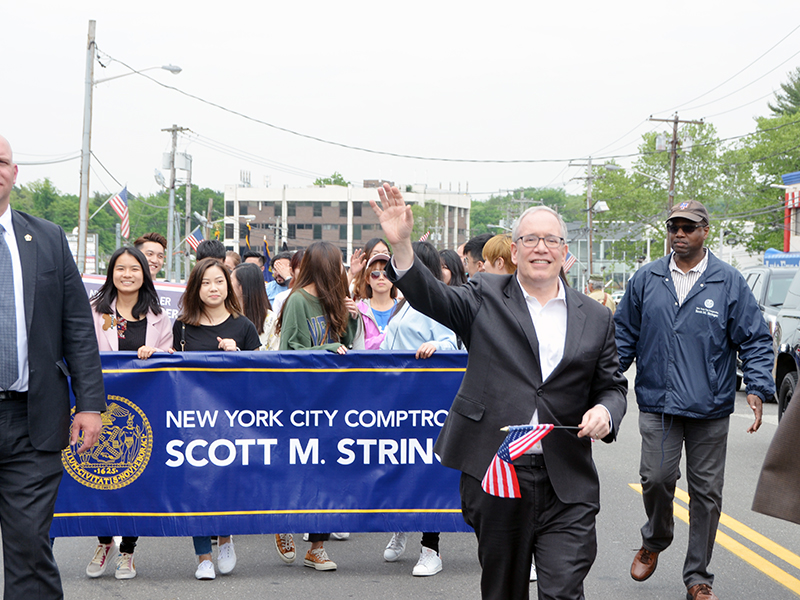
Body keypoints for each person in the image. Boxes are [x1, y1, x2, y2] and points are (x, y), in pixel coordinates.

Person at [371, 183, 627, 600]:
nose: (540, 247)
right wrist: (401, 247)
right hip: (499, 471)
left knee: (563, 591)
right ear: (514, 249)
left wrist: (605, 411)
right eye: (529, 239)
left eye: (550, 240)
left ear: (564, 251)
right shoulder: (484, 296)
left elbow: (613, 387)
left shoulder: (595, 316)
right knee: (503, 591)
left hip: (567, 479)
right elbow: (431, 296)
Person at [614, 200, 774, 600]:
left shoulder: (728, 281)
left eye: (688, 227)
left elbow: (754, 339)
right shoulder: (646, 278)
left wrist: (756, 386)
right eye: (673, 227)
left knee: (706, 495)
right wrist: (603, 384)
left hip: (711, 408)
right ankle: (655, 537)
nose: (679, 234)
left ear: (706, 231)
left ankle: (698, 577)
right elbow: (622, 337)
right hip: (658, 404)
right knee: (656, 479)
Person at [0, 134, 106, 598]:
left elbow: (78, 327)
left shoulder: (45, 237)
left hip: (31, 420)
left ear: (14, 171)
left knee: (27, 546)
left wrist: (90, 405)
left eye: (0, 160)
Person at [276, 241, 363, 571]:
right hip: (303, 398)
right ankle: (282, 522)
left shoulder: (336, 299)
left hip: (333, 398)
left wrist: (352, 318)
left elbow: (344, 342)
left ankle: (317, 546)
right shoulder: (298, 300)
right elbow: (292, 350)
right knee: (299, 468)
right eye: (337, 264)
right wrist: (328, 347)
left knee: (328, 473)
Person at [87, 246, 173, 580]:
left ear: (144, 274)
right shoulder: (98, 312)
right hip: (99, 408)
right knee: (99, 476)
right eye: (120, 268)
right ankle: (104, 540)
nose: (127, 274)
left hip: (141, 411)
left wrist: (159, 352)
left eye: (134, 269)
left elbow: (170, 358)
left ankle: (128, 551)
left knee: (135, 477)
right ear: (111, 273)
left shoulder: (157, 315)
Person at [172, 257, 261, 580]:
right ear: (196, 287)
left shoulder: (244, 326)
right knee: (196, 486)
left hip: (233, 421)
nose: (213, 288)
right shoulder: (182, 325)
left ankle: (226, 537)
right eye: (206, 282)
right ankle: (202, 557)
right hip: (192, 420)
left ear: (229, 286)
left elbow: (262, 375)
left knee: (227, 482)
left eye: (219, 281)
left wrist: (237, 356)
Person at [379, 241, 460, 577]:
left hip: (428, 402)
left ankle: (431, 547)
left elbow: (452, 342)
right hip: (400, 401)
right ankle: (402, 525)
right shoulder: (403, 304)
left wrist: (436, 345)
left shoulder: (435, 303)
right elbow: (387, 344)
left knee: (429, 472)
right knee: (404, 466)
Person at [231, 262, 279, 350]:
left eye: (230, 281)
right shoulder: (226, 315)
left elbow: (274, 357)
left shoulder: (271, 320)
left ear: (241, 287)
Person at [357, 253, 398, 349]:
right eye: (375, 274)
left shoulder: (403, 309)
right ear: (367, 279)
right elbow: (359, 346)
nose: (381, 277)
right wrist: (388, 337)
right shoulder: (359, 310)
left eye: (386, 274)